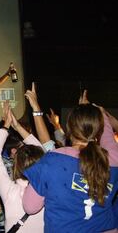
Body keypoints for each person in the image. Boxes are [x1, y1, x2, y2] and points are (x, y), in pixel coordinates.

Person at [22, 92, 118, 232]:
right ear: (99, 129)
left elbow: (30, 207)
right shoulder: (114, 161)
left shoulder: (52, 160)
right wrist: (96, 112)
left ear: (69, 130)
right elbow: (108, 136)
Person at [0, 103, 45, 232]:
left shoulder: (11, 192)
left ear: (16, 165)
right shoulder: (49, 190)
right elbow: (42, 152)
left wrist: (6, 125)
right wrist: (17, 127)